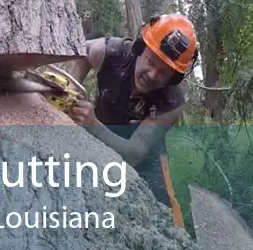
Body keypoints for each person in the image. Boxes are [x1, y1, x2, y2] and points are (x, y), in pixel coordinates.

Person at [67, 13, 199, 229]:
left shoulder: (172, 102)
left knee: (164, 214)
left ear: (174, 78)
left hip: (145, 154)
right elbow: (84, 51)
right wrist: (72, 89)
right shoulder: (113, 51)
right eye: (150, 61)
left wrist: (91, 125)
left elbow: (135, 154)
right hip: (101, 131)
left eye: (164, 73)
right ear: (139, 48)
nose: (152, 74)